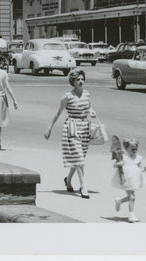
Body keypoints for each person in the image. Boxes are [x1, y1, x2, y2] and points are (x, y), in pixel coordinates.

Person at [44, 68, 94, 198]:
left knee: (79, 158)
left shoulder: (87, 94)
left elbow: (89, 107)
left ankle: (68, 180)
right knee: (79, 158)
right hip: (72, 127)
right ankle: (83, 186)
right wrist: (49, 128)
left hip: (84, 127)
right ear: (73, 81)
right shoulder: (67, 96)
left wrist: (91, 112)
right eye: (78, 79)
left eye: (82, 79)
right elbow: (57, 113)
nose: (81, 81)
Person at [113, 137, 146, 223]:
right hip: (125, 179)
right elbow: (115, 165)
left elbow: (138, 168)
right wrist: (119, 163)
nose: (134, 150)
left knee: (131, 197)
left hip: (135, 180)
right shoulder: (123, 157)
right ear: (126, 148)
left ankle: (119, 201)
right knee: (132, 197)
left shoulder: (139, 157)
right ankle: (131, 215)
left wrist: (144, 169)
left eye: (136, 149)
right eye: (132, 149)